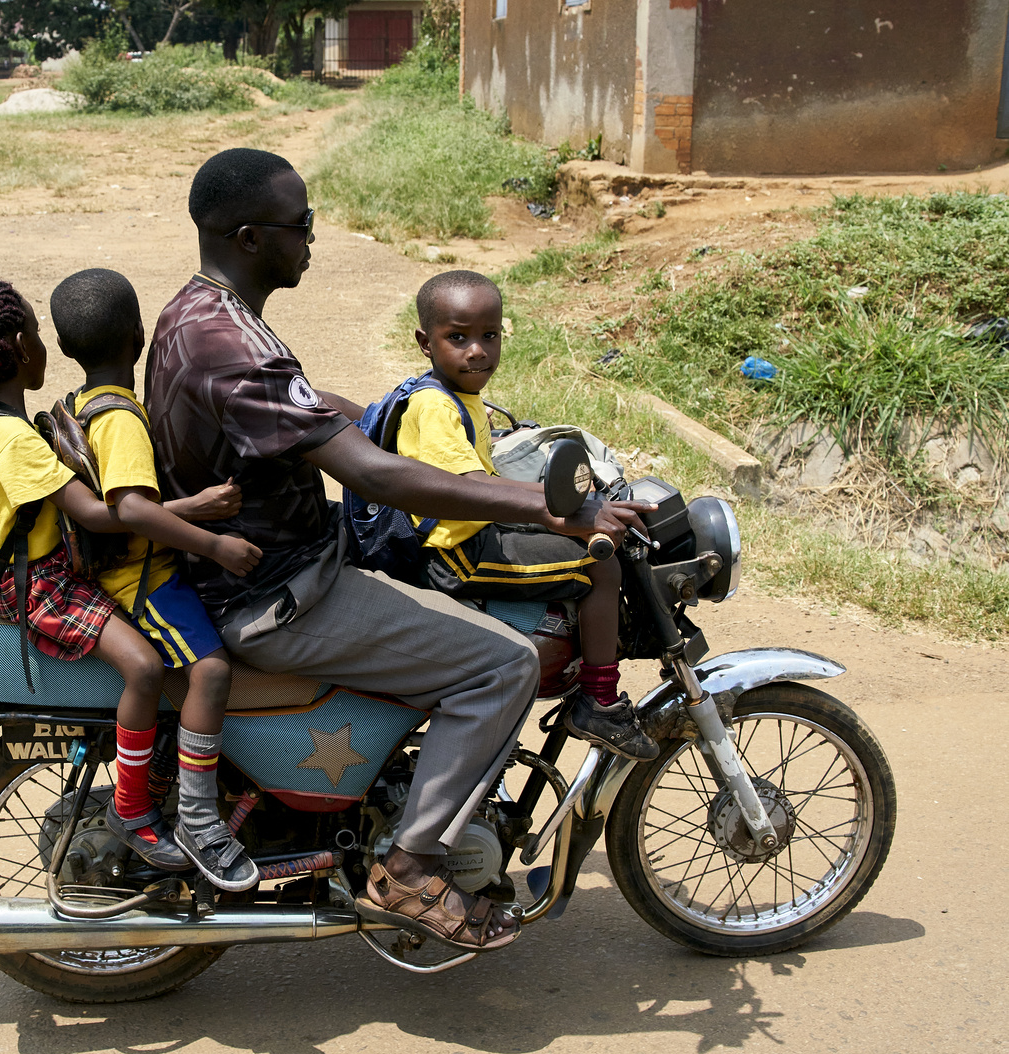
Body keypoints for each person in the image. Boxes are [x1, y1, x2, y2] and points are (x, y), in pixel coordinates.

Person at [144, 148, 657, 952]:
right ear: (249, 237)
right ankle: (412, 868)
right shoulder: (233, 343)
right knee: (505, 662)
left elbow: (312, 412)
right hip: (276, 596)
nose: (313, 239)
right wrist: (554, 506)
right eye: (302, 225)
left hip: (268, 569)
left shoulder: (199, 313)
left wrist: (412, 412)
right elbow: (377, 477)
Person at [0, 277, 259, 880]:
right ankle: (145, 810)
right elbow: (101, 514)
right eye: (34, 332)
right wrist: (206, 529)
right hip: (45, 582)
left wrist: (185, 511)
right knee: (147, 666)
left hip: (52, 567)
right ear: (22, 346)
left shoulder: (2, 423)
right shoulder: (11, 439)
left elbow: (110, 512)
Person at [49, 267, 263, 890]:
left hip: (138, 565)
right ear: (140, 337)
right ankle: (196, 816)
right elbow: (132, 511)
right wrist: (214, 543)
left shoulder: (83, 403)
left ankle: (173, 784)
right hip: (145, 579)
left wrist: (193, 507)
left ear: (66, 348)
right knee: (214, 670)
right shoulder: (122, 418)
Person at [395, 271, 658, 760]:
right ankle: (599, 700)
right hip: (458, 555)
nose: (477, 350)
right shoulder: (434, 407)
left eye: (488, 336)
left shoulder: (454, 396)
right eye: (458, 337)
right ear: (424, 342)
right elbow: (468, 486)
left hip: (466, 535)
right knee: (602, 564)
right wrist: (560, 507)